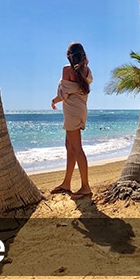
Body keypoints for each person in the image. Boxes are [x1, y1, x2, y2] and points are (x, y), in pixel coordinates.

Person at [51, 42, 93, 199]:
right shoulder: (86, 70)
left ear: (69, 55)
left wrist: (53, 101)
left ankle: (85, 187)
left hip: (72, 112)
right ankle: (66, 183)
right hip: (81, 110)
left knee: (77, 148)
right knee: (70, 146)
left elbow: (63, 93)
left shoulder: (66, 70)